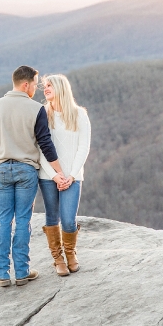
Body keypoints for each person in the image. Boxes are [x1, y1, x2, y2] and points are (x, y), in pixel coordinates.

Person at [0, 65, 68, 287]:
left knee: (3, 221)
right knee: (22, 220)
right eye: (35, 84)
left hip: (1, 168)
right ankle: (21, 272)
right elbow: (45, 143)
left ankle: (1, 274)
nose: (36, 90)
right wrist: (60, 172)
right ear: (26, 84)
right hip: (26, 171)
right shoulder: (35, 109)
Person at [38, 74, 91, 276]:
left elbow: (84, 147)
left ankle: (70, 253)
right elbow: (39, 148)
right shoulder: (42, 114)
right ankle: (58, 258)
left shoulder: (79, 114)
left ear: (61, 88)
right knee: (52, 216)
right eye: (44, 86)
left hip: (73, 176)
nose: (46, 89)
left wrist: (70, 175)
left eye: (49, 85)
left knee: (68, 220)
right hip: (48, 176)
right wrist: (54, 175)